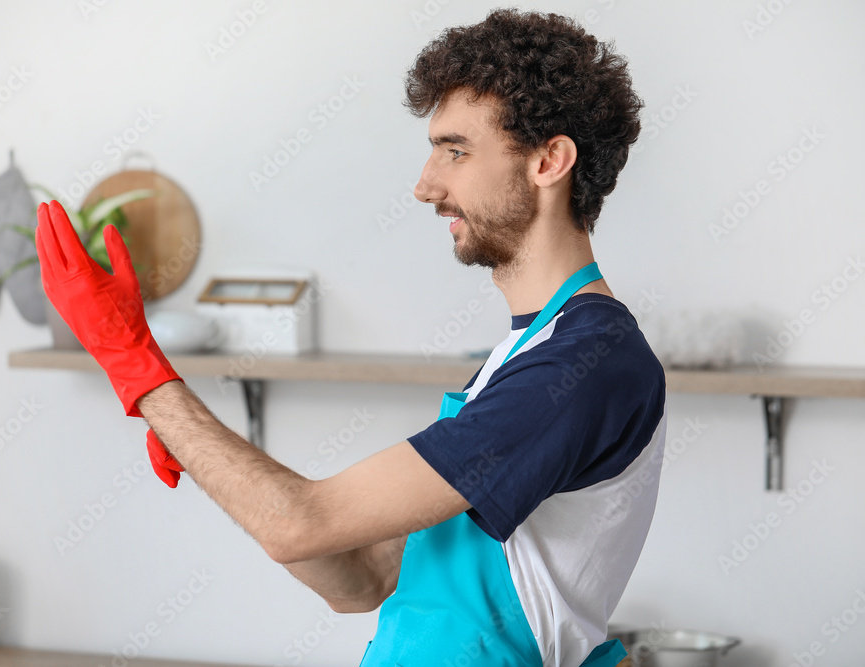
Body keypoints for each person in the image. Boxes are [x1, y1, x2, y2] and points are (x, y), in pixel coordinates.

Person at [35, 8, 666, 667]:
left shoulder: (585, 364)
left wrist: (134, 365)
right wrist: (193, 446)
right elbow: (362, 575)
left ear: (549, 160)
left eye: (456, 150)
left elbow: (298, 522)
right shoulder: (525, 354)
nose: (426, 186)